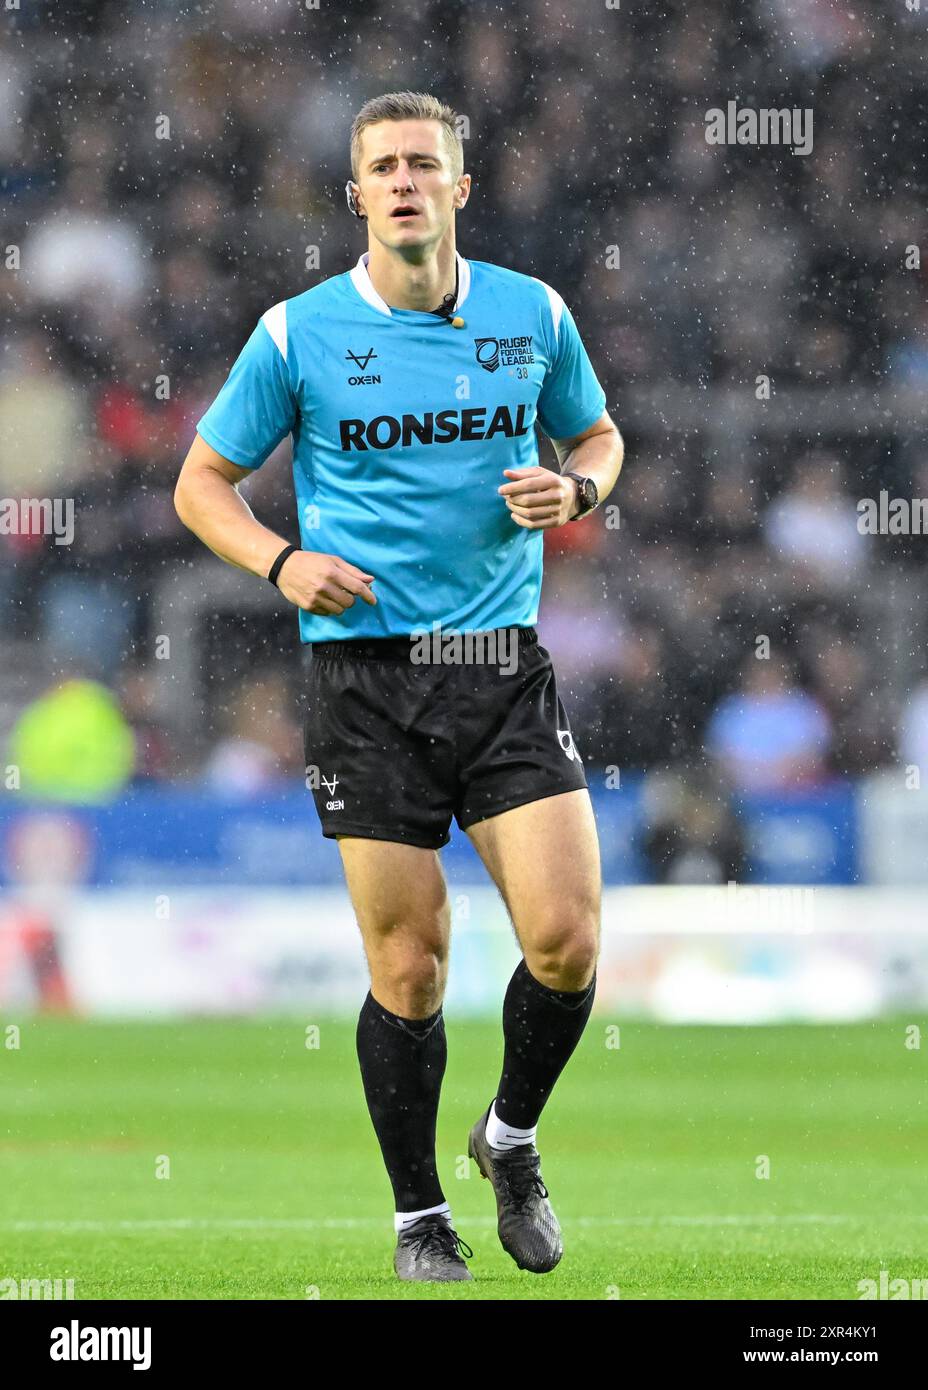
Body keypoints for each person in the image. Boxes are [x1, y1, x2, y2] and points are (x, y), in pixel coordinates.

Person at [174, 90, 624, 1283]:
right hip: (364, 680)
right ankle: (418, 1216)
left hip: (497, 667)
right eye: (384, 167)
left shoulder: (533, 312)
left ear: (461, 188)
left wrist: (578, 492)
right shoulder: (297, 332)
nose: (407, 182)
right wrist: (280, 560)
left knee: (569, 941)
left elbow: (599, 438)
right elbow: (201, 484)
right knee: (409, 967)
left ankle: (509, 1136)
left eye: (426, 163)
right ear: (358, 195)